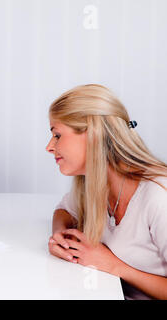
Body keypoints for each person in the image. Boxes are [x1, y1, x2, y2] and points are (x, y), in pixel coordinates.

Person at [46, 84, 167, 300]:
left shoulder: (159, 196)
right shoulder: (93, 184)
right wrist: (61, 238)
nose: (49, 146)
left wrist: (114, 266)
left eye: (57, 135)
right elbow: (64, 210)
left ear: (93, 135)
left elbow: (111, 265)